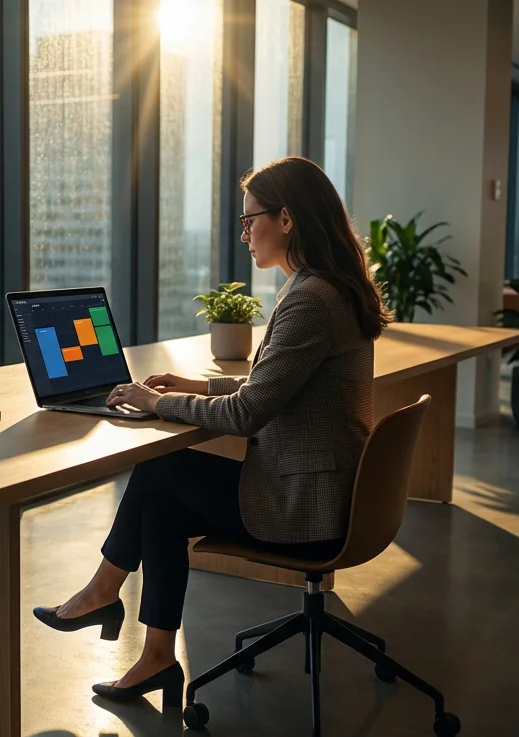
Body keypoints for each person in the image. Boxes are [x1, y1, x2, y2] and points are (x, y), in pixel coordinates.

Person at [31, 156, 391, 705]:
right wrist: (194, 388)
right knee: (161, 506)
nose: (244, 234)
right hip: (330, 493)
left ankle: (105, 593)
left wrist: (159, 400)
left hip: (305, 510)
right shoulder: (325, 288)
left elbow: (250, 413)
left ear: (287, 219)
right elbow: (271, 388)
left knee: (158, 468)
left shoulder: (311, 301)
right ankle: (153, 654)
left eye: (250, 220)